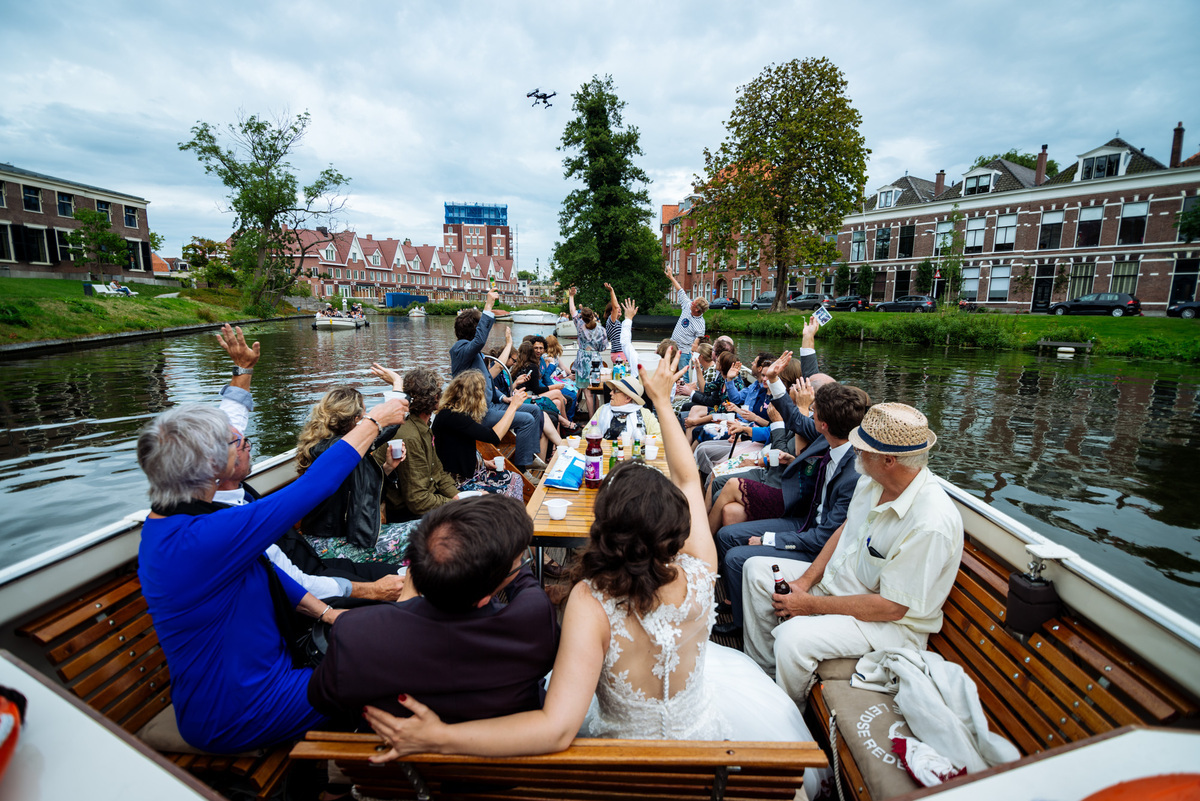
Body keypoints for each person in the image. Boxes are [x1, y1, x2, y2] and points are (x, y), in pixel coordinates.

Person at [360, 348, 810, 760]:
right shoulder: (700, 572)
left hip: (618, 760)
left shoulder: (591, 601)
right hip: (702, 744)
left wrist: (439, 737)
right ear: (673, 528)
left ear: (604, 527)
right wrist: (660, 399)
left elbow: (555, 730)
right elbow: (689, 479)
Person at [135, 393, 408, 753]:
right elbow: (316, 485)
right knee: (400, 673)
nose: (240, 443)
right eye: (233, 443)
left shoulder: (175, 524)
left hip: (258, 683)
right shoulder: (203, 538)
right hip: (241, 710)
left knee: (382, 647)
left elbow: (267, 573)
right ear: (213, 466)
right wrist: (374, 421)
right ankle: (348, 782)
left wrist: (329, 613)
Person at [741, 402, 964, 708]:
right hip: (842, 590)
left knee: (793, 640)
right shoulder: (872, 481)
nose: (854, 452)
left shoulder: (930, 523)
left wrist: (809, 605)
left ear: (887, 460)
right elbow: (845, 529)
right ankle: (764, 676)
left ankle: (788, 714)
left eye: (861, 448)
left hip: (889, 627)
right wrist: (805, 582)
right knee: (756, 571)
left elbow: (891, 608)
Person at [309, 494, 560, 721]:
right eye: (518, 563)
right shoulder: (532, 620)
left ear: (413, 566)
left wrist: (405, 604)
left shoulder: (355, 633)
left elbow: (321, 698)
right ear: (484, 598)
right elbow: (527, 587)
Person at [209, 324, 405, 603]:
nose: (247, 444)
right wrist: (378, 418)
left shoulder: (231, 487)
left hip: (311, 556)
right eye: (240, 444)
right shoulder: (238, 522)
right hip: (326, 555)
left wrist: (243, 370)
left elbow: (232, 425)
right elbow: (320, 483)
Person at [711, 377, 871, 635]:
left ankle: (742, 628)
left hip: (816, 545)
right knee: (727, 536)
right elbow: (796, 420)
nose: (810, 416)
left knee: (734, 557)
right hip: (804, 520)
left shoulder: (853, 473)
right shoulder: (830, 440)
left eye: (814, 412)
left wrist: (769, 539)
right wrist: (774, 381)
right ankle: (736, 603)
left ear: (824, 424)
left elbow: (824, 538)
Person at [296, 387, 409, 563]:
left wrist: (387, 467)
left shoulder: (333, 445)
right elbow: (382, 430)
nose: (366, 417)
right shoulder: (331, 449)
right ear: (356, 420)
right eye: (364, 412)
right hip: (329, 545)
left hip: (343, 536)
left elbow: (353, 486)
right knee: (425, 533)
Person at [450, 289, 544, 473]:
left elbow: (488, 381)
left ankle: (530, 457)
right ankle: (521, 469)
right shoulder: (459, 350)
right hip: (479, 414)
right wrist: (488, 306)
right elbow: (479, 340)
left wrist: (504, 398)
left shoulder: (473, 352)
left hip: (493, 405)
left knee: (535, 410)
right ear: (476, 331)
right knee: (526, 420)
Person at [431, 370, 527, 498]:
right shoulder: (453, 416)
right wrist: (513, 407)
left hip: (471, 471)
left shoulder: (455, 412)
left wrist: (485, 463)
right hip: (457, 482)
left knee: (515, 478)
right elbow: (493, 436)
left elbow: (459, 448)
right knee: (504, 493)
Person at [384, 367, 463, 519]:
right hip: (406, 514)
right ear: (434, 398)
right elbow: (418, 502)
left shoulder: (422, 427)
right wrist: (461, 505)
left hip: (427, 499)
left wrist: (459, 497)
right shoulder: (410, 437)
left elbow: (437, 473)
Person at [567, 286, 608, 416]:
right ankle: (598, 418)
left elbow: (572, 311)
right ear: (592, 315)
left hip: (583, 361)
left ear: (582, 317)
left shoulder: (579, 325)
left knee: (587, 393)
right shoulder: (601, 329)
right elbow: (604, 347)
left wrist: (571, 296)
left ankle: (591, 420)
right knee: (596, 391)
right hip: (596, 360)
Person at [663, 265, 708, 370]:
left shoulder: (700, 325)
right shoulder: (687, 306)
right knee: (667, 370)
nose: (691, 302)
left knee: (683, 376)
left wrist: (695, 357)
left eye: (694, 303)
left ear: (697, 309)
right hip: (672, 345)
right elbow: (680, 290)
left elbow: (699, 343)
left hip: (684, 352)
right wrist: (671, 277)